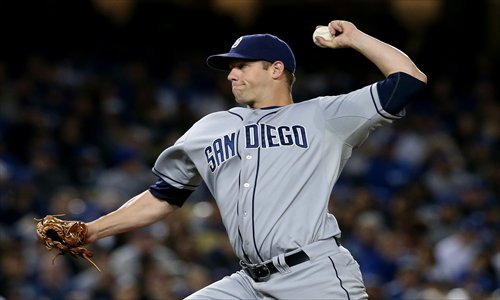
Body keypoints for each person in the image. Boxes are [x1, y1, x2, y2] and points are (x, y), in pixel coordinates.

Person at [85, 20, 427, 299]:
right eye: (231, 67)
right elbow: (163, 196)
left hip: (314, 277)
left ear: (275, 69)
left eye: (242, 65)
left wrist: (355, 38)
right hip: (249, 282)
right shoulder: (211, 127)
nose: (232, 74)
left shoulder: (325, 116)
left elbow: (409, 80)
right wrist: (91, 230)